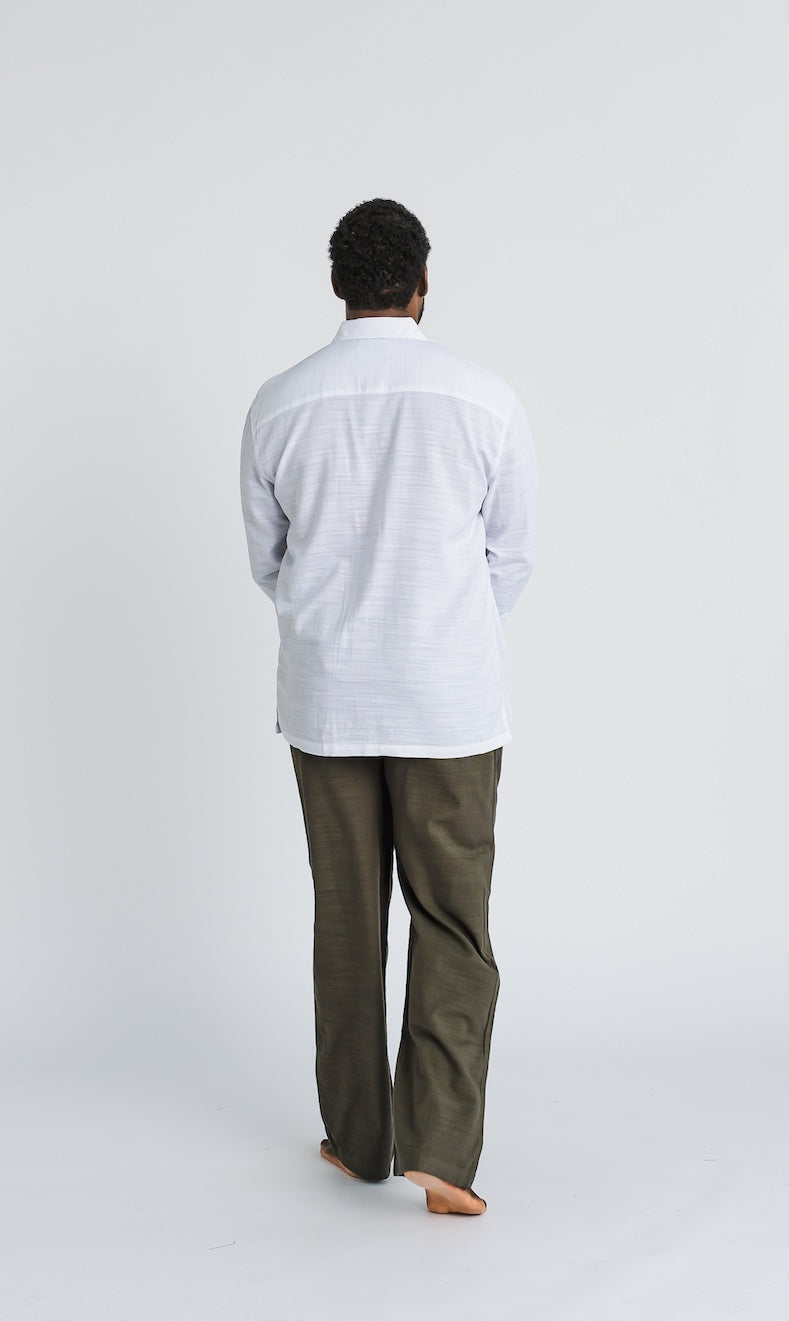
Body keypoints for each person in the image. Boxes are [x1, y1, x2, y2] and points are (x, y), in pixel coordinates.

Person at [239, 198, 538, 1215]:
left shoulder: (279, 403)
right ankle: (442, 1156)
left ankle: (359, 1141)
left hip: (328, 700)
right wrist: (441, 631)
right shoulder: (484, 399)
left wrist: (339, 627)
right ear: (422, 284)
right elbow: (512, 556)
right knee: (452, 918)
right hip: (450, 703)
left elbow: (269, 562)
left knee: (346, 917)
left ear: (339, 286)